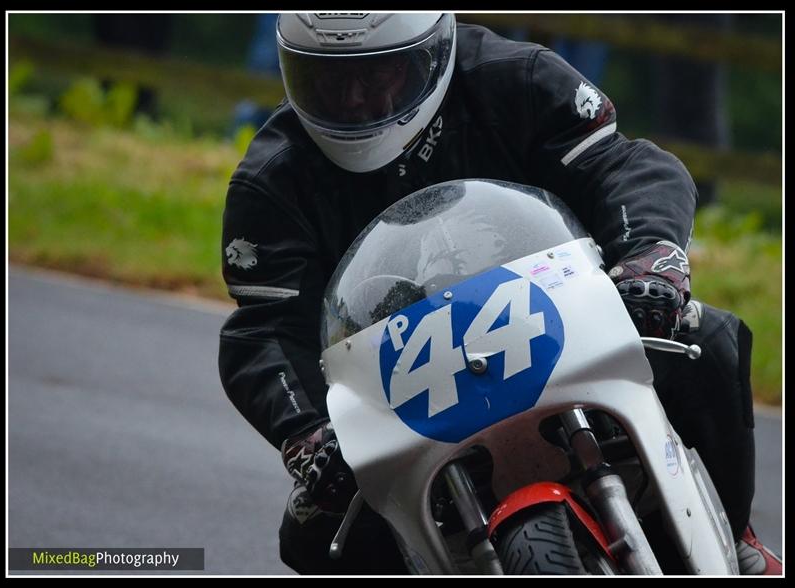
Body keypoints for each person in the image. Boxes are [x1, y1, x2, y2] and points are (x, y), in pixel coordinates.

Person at [218, 13, 780, 575]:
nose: (357, 100)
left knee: (708, 341)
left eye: (381, 72)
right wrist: (309, 433)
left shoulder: (518, 79)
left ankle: (733, 539)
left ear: (432, 53)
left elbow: (624, 168)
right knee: (315, 535)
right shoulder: (271, 180)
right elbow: (264, 330)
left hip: (564, 317)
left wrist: (650, 262)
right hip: (401, 386)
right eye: (329, 79)